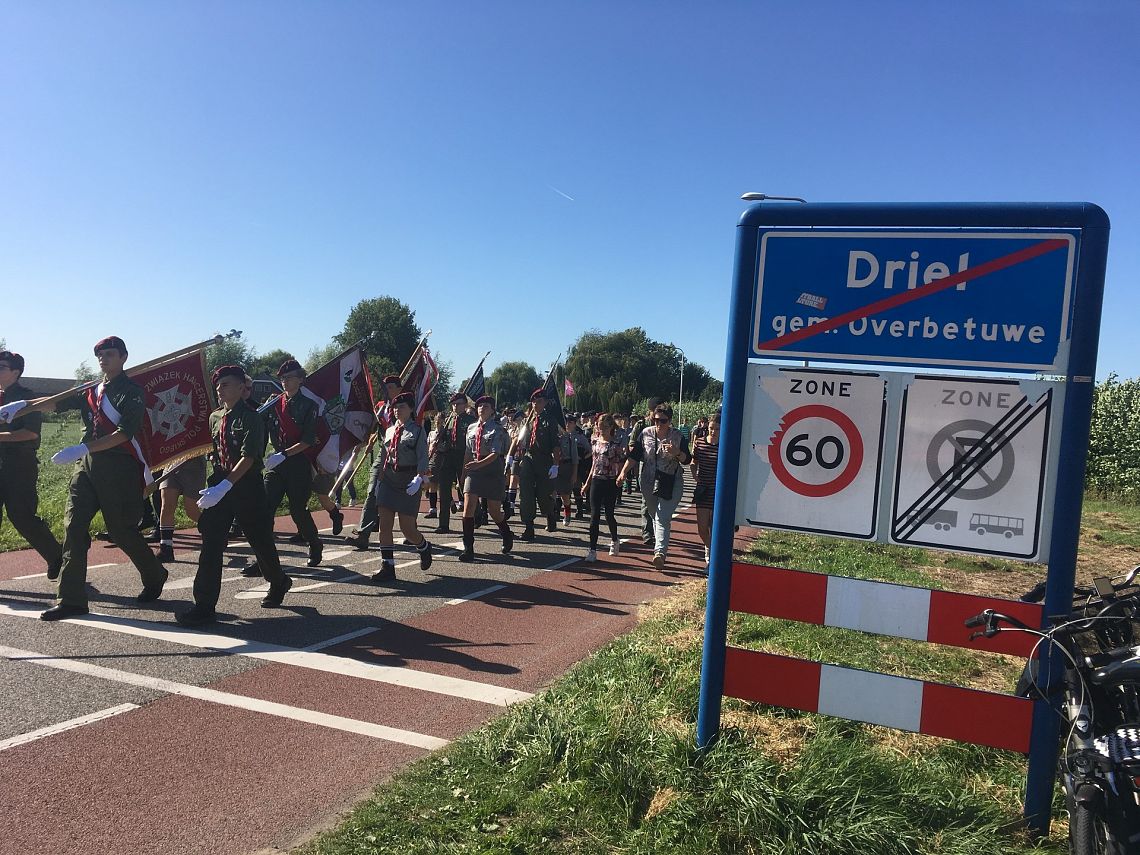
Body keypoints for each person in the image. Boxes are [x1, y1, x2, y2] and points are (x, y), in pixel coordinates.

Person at [0, 336, 168, 619]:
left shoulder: (132, 392)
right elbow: (55, 404)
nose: (104, 359)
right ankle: (71, 599)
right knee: (74, 527)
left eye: (110, 354)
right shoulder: (91, 389)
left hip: (118, 468)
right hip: (86, 467)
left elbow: (124, 434)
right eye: (100, 355)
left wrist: (82, 448)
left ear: (124, 358)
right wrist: (24, 405)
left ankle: (154, 573)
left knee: (121, 530)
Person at [177, 365, 292, 626]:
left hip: (246, 486)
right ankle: (204, 605)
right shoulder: (215, 417)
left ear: (241, 388)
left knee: (260, 540)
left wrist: (225, 486)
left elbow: (249, 457)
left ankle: (279, 581)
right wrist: (217, 484)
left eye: (226, 384)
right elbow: (213, 449)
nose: (220, 389)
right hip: (220, 485)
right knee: (211, 542)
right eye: (218, 385)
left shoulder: (251, 417)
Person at [0, 351, 63, 578]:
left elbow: (30, 433)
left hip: (19, 465)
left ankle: (56, 555)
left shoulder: (26, 399)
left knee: (21, 515)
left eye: (2, 367)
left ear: (15, 372)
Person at [259, 359, 323, 569]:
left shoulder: (309, 406)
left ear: (300, 380)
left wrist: (285, 455)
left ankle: (314, 543)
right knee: (265, 509)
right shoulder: (273, 402)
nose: (284, 381)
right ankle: (263, 558)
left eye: (289, 377)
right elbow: (257, 421)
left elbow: (307, 440)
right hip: (276, 464)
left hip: (297, 463)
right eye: (282, 378)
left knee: (297, 510)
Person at [370, 392, 432, 584]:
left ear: (411, 409)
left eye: (402, 407)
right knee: (385, 524)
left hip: (409, 480)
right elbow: (384, 456)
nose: (397, 410)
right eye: (395, 407)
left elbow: (423, 456)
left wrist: (419, 479)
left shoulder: (418, 431)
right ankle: (387, 566)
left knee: (407, 529)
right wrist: (378, 480)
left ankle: (423, 547)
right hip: (389, 479)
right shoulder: (389, 430)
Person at [620, 403, 691, 571]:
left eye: (663, 421)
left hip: (671, 482)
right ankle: (660, 544)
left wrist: (677, 452)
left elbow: (687, 460)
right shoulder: (645, 433)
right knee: (654, 515)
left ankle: (660, 553)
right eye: (656, 420)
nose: (659, 424)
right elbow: (635, 455)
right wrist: (623, 473)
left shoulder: (677, 436)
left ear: (670, 421)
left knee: (662, 517)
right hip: (648, 481)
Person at [346, 374, 404, 550]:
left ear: (399, 389)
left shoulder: (406, 407)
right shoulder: (381, 408)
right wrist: (362, 443)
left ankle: (411, 530)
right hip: (383, 454)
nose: (387, 391)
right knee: (373, 491)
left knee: (403, 495)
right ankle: (363, 535)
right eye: (385, 388)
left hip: (403, 456)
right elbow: (374, 431)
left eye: (391, 387)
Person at [457, 395, 514, 562]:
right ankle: (468, 548)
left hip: (492, 470)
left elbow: (495, 454)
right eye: (480, 405)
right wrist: (463, 474)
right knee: (468, 507)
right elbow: (468, 452)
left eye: (486, 406)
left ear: (493, 410)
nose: (482, 408)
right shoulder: (471, 428)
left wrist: (478, 464)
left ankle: (506, 533)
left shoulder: (497, 429)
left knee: (494, 511)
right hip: (474, 470)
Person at [510, 388, 561, 541]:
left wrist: (555, 465)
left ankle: (550, 513)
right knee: (526, 493)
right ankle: (529, 527)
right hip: (527, 458)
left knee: (543, 494)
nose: (535, 404)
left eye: (539, 401)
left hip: (544, 460)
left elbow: (555, 445)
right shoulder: (527, 421)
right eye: (533, 402)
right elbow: (518, 439)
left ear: (545, 403)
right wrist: (510, 456)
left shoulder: (550, 420)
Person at [581, 413, 625, 562]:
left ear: (611, 427)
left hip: (610, 482)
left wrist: (620, 477)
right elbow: (594, 463)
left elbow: (620, 463)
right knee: (594, 515)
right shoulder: (594, 441)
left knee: (609, 514)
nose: (602, 430)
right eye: (600, 427)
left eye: (605, 427)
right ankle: (592, 549)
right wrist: (587, 483)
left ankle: (614, 539)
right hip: (596, 480)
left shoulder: (616, 444)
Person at [430, 392, 475, 535]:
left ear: (465, 405)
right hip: (448, 456)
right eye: (453, 404)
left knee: (466, 487)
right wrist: (438, 441)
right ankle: (443, 524)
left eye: (458, 404)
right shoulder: (449, 419)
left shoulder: (471, 421)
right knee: (444, 489)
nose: (455, 407)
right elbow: (445, 437)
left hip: (463, 456)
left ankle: (477, 513)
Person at [627, 397, 664, 546]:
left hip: (662, 467)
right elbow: (632, 445)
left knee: (661, 499)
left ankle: (658, 529)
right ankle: (647, 532)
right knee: (646, 500)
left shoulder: (664, 423)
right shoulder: (641, 425)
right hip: (646, 465)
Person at [155, 455, 205, 562]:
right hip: (171, 464)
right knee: (166, 506)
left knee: (191, 511)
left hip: (193, 465)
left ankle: (214, 531)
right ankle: (166, 548)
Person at [690, 412, 720, 568]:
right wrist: (694, 474)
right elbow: (693, 461)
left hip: (718, 491)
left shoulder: (724, 445)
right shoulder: (700, 443)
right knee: (702, 529)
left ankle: (712, 559)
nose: (713, 431)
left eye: (717, 429)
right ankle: (712, 549)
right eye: (711, 428)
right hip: (703, 489)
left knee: (714, 527)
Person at [552, 413, 581, 527]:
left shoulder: (570, 438)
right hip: (554, 466)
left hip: (566, 467)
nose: (567, 424)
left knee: (565, 496)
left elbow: (575, 458)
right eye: (565, 422)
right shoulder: (554, 436)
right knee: (552, 493)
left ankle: (567, 513)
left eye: (569, 422)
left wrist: (574, 474)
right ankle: (552, 517)